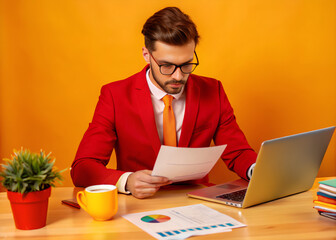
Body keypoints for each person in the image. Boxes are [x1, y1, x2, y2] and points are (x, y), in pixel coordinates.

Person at [71, 7, 257, 199]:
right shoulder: (114, 96)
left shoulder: (213, 91)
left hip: (197, 202)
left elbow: (237, 152)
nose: (178, 76)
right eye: (167, 65)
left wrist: (256, 169)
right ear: (146, 55)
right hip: (140, 204)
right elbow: (82, 168)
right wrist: (126, 181)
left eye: (186, 64)